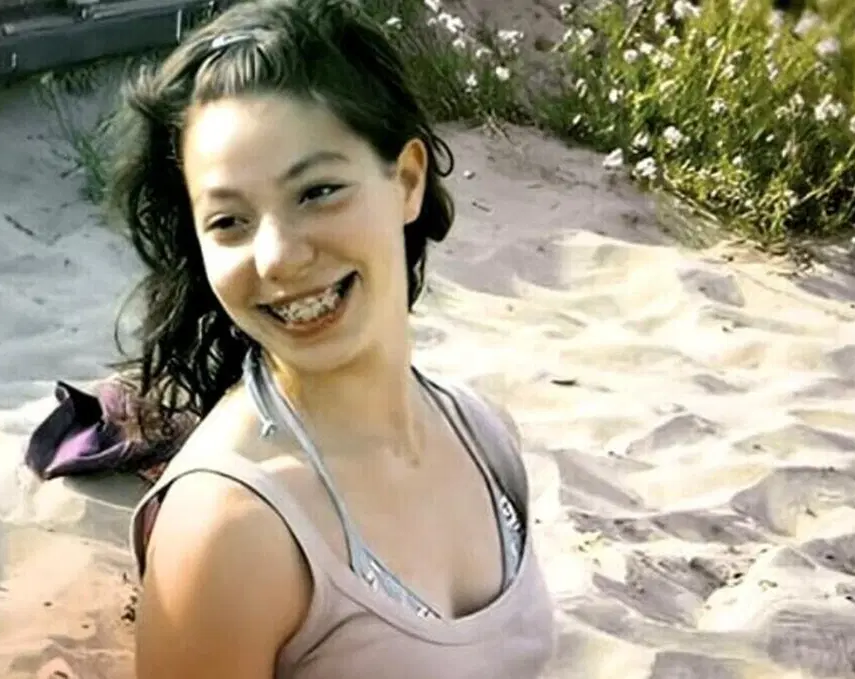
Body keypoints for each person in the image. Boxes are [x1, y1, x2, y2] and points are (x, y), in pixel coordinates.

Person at [100, 0, 557, 676]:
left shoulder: (485, 438)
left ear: (407, 180)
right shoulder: (229, 528)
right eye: (229, 221)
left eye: (316, 192)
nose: (278, 257)